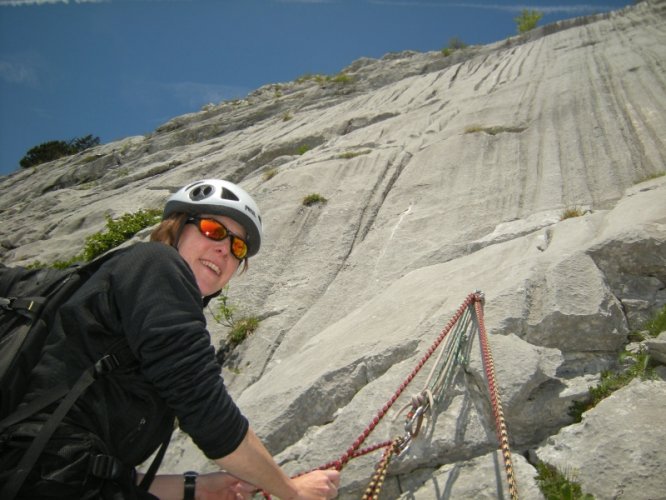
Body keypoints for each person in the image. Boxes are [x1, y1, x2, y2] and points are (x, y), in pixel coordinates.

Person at [0, 179, 340, 499]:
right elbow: (207, 411)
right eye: (213, 229)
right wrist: (291, 491)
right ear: (176, 226)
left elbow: (91, 464)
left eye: (238, 246)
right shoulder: (157, 264)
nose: (225, 249)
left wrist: (196, 488)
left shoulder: (138, 313)